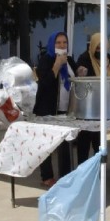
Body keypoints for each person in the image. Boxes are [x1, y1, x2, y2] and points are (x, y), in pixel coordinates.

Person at [33, 32, 77, 188]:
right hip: (47, 108)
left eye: (64, 42)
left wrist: (80, 72)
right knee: (46, 144)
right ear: (52, 44)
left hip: (64, 109)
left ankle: (65, 175)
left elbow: (74, 79)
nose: (62, 45)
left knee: (65, 143)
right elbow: (44, 83)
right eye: (58, 42)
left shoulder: (70, 59)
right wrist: (57, 66)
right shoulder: (46, 59)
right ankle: (47, 176)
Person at [76, 33, 110, 164]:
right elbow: (79, 76)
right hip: (88, 107)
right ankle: (82, 168)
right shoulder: (84, 58)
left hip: (107, 105)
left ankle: (100, 168)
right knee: (85, 139)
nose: (100, 50)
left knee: (99, 140)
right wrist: (80, 72)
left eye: (103, 47)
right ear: (92, 46)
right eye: (97, 47)